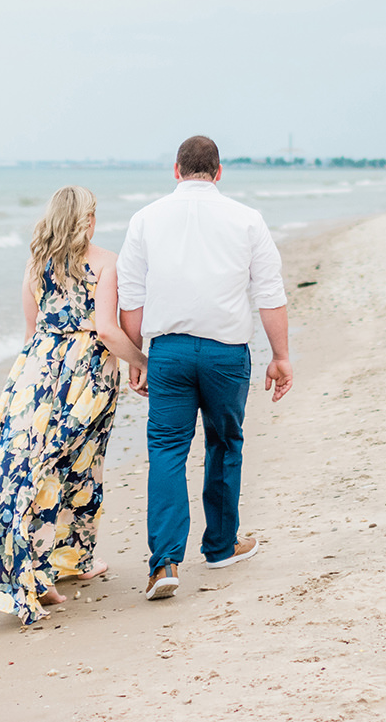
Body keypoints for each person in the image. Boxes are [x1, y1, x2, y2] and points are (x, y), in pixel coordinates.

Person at [0, 186, 146, 624]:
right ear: (88, 219)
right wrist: (143, 362)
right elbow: (106, 329)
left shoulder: (36, 264)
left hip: (34, 374)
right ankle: (58, 565)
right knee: (80, 465)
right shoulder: (105, 262)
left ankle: (48, 564)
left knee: (25, 462)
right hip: (87, 374)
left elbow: (30, 333)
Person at [119, 136, 292, 602]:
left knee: (168, 451)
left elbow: (130, 298)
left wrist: (137, 357)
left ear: (176, 170)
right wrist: (281, 356)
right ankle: (219, 545)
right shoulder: (247, 219)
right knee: (224, 441)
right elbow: (269, 294)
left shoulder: (145, 219)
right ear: (218, 172)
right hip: (225, 354)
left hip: (169, 354)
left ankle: (164, 564)